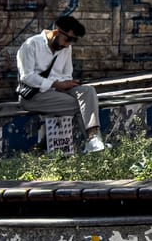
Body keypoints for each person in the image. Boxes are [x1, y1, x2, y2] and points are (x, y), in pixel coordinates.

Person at [16, 15, 107, 154]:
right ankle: (92, 141)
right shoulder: (31, 45)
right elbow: (26, 77)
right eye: (68, 39)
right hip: (34, 96)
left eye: (73, 41)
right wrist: (56, 84)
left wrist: (68, 84)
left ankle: (93, 138)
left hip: (58, 92)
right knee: (82, 107)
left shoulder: (66, 49)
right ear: (56, 32)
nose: (68, 44)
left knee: (88, 91)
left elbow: (67, 73)